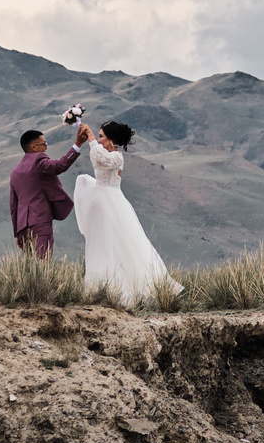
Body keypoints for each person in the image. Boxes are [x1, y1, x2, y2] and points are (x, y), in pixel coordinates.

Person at [73, 119, 176, 306]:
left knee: (120, 245)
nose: (99, 139)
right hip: (102, 204)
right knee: (100, 245)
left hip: (111, 204)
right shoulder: (106, 153)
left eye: (102, 136)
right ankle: (100, 287)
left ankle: (126, 291)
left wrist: (90, 138)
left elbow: (98, 160)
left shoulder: (116, 157)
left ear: (111, 140)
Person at [9, 124, 85, 261]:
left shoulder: (15, 171)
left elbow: (13, 206)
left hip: (23, 227)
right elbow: (60, 165)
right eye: (44, 144)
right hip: (40, 221)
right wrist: (77, 144)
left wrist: (17, 233)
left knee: (31, 266)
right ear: (34, 147)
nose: (46, 147)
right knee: (43, 264)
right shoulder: (39, 162)